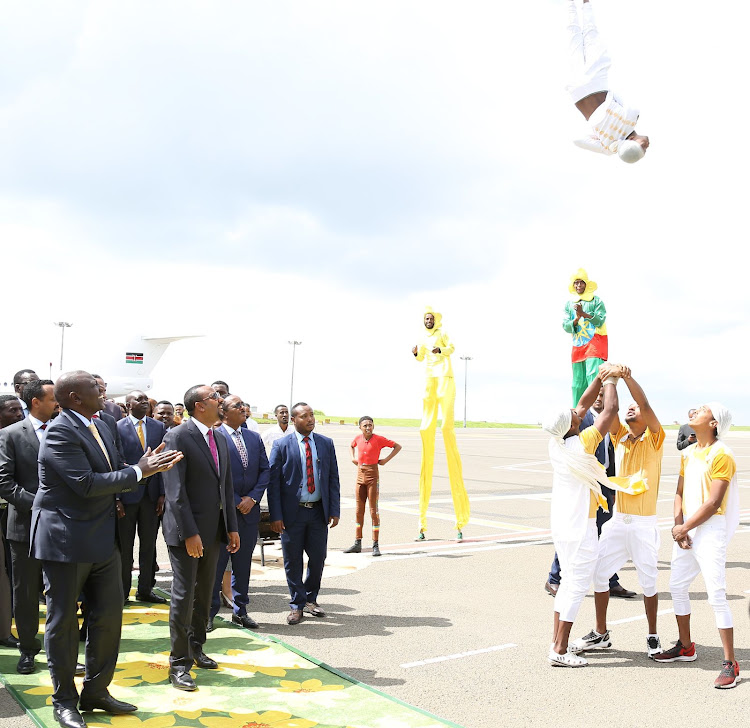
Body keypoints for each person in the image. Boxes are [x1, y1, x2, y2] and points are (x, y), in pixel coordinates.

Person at [32, 371, 181, 728]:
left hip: (103, 539)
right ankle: (64, 700)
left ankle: (96, 691)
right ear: (74, 398)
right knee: (63, 623)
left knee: (109, 618)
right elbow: (84, 485)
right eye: (93, 389)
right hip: (66, 541)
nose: (102, 391)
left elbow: (114, 470)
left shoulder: (104, 425)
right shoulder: (60, 431)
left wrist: (144, 467)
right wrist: (138, 472)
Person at [570, 367, 666, 657]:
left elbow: (645, 405)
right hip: (617, 521)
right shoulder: (620, 437)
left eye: (635, 408)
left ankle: (652, 635)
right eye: (629, 407)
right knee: (599, 575)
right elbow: (610, 412)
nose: (631, 409)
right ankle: (601, 633)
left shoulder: (654, 439)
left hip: (642, 523)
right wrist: (607, 378)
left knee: (648, 580)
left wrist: (625, 377)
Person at [653, 403, 740, 689]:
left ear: (713, 422)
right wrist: (679, 526)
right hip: (687, 528)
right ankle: (685, 647)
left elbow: (714, 502)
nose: (694, 411)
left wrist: (685, 527)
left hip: (709, 528)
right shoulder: (688, 453)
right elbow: (678, 492)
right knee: (677, 586)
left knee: (716, 595)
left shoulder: (722, 454)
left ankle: (730, 663)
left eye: (702, 410)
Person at [161, 385, 239, 692]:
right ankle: (178, 664)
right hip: (186, 534)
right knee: (183, 596)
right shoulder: (177, 436)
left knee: (205, 595)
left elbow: (226, 487)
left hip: (215, 531)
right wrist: (190, 533)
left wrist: (230, 526)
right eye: (213, 398)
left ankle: (196, 648)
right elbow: (175, 492)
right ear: (198, 405)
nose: (220, 402)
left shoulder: (218, 435)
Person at [545, 385, 635, 599]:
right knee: (576, 578)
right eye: (573, 413)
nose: (576, 410)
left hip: (582, 500)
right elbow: (611, 409)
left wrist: (598, 377)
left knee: (603, 535)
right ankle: (560, 581)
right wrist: (612, 378)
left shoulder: (556, 442)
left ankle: (606, 579)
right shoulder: (583, 443)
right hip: (585, 504)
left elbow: (583, 405)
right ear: (573, 423)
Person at [0, 380, 56, 673]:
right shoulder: (10, 435)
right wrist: (40, 506)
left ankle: (61, 651)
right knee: (25, 593)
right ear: (36, 401)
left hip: (63, 527)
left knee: (62, 591)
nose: (58, 404)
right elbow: (4, 482)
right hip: (24, 526)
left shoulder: (66, 430)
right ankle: (27, 649)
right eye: (53, 398)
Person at [268, 403, 340, 626]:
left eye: (312, 415)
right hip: (292, 514)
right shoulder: (281, 445)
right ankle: (296, 604)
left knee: (318, 558)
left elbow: (332, 478)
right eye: (304, 416)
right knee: (293, 561)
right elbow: (274, 484)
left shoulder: (325, 444)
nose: (310, 419)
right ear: (293, 420)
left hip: (318, 512)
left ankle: (311, 599)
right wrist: (275, 515)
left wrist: (334, 510)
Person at [210, 394, 269, 630]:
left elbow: (265, 470)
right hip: (223, 514)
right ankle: (209, 614)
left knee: (243, 566)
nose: (244, 408)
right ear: (223, 412)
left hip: (249, 513)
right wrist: (236, 501)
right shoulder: (214, 437)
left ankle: (240, 611)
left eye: (244, 404)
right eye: (238, 405)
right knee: (216, 567)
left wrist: (252, 498)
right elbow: (214, 475)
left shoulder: (254, 437)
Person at [565, 0, 649, 162]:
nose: (647, 146)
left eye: (643, 146)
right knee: (573, 39)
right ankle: (570, 3)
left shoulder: (633, 117)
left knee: (591, 36)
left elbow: (615, 94)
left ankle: (586, 3)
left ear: (631, 141)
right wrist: (610, 146)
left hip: (597, 83)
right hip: (576, 91)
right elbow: (577, 140)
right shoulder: (608, 147)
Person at [412, 308, 470, 541]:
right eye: (426, 319)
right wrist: (415, 353)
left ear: (435, 321)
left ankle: (460, 521)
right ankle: (421, 523)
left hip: (445, 377)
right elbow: (419, 357)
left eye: (430, 319)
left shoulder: (442, 333)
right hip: (429, 378)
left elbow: (452, 348)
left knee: (446, 427)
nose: (428, 321)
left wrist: (440, 349)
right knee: (427, 428)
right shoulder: (421, 337)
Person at [116, 391, 167, 604]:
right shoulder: (117, 428)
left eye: (146, 399)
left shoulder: (158, 427)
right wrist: (116, 497)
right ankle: (123, 590)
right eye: (139, 399)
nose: (145, 402)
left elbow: (164, 461)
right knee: (125, 546)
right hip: (127, 496)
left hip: (151, 496)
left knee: (149, 545)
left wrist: (163, 493)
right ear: (128, 405)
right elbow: (115, 461)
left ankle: (146, 589)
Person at [344, 416, 401, 557]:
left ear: (373, 426)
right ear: (360, 427)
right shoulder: (358, 438)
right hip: (360, 476)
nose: (368, 428)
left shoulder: (379, 439)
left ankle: (375, 544)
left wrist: (385, 460)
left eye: (370, 425)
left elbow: (397, 446)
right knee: (359, 510)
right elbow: (351, 445)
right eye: (365, 426)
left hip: (372, 476)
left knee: (373, 511)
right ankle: (357, 542)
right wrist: (353, 458)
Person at [563, 269, 607, 405]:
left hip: (595, 344)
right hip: (578, 345)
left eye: (581, 283)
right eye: (575, 283)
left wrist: (584, 314)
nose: (578, 286)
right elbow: (565, 325)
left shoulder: (596, 301)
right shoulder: (570, 305)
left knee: (593, 377)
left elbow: (600, 320)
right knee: (577, 383)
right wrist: (576, 318)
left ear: (586, 284)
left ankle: (597, 412)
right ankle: (577, 414)